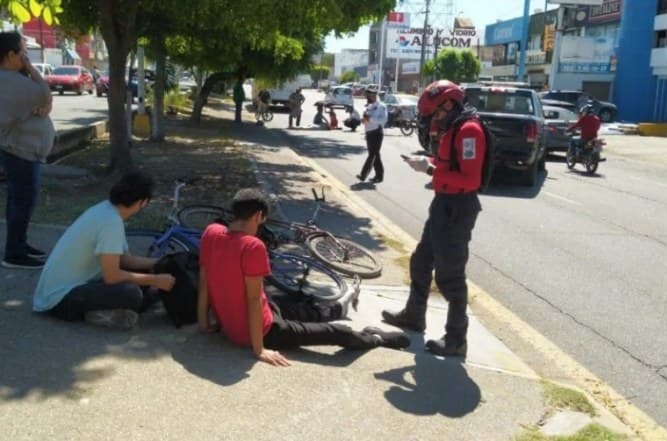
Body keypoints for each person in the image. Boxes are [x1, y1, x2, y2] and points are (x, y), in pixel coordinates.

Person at [198, 188, 410, 367]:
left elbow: (204, 281)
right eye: (262, 220)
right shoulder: (252, 246)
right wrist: (260, 349)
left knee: (298, 305)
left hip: (256, 315)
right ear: (257, 216)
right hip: (266, 331)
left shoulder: (211, 232)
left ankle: (338, 308)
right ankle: (374, 337)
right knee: (335, 332)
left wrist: (203, 323)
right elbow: (253, 300)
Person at [382, 80, 485, 358]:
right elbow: (449, 165)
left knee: (450, 275)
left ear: (450, 104)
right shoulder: (454, 127)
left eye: (436, 114)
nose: (434, 120)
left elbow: (470, 178)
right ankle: (414, 316)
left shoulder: (469, 132)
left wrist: (430, 171)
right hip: (443, 203)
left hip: (458, 207)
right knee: (421, 261)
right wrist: (428, 163)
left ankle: (456, 339)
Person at [33, 172, 176, 329]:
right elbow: (112, 276)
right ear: (143, 202)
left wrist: (161, 263)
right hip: (59, 300)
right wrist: (155, 280)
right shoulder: (111, 222)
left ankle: (112, 308)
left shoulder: (107, 210)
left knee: (144, 274)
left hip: (62, 291)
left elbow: (125, 260)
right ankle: (100, 313)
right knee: (132, 294)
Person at [0, 31, 54, 269]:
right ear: (11, 54)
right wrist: (32, 70)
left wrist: (43, 105)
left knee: (18, 200)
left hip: (17, 149)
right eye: (22, 52)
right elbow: (44, 94)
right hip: (17, 151)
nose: (26, 57)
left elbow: (44, 102)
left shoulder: (2, 75)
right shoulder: (7, 80)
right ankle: (13, 254)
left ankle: (19, 244)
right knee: (22, 201)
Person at [355, 86, 388, 183]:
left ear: (374, 96)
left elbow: (383, 121)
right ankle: (379, 176)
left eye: (369, 96)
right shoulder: (369, 106)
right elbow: (366, 119)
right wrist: (364, 121)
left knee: (372, 154)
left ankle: (363, 174)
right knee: (375, 155)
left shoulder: (381, 106)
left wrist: (370, 120)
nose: (368, 98)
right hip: (369, 133)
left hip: (377, 133)